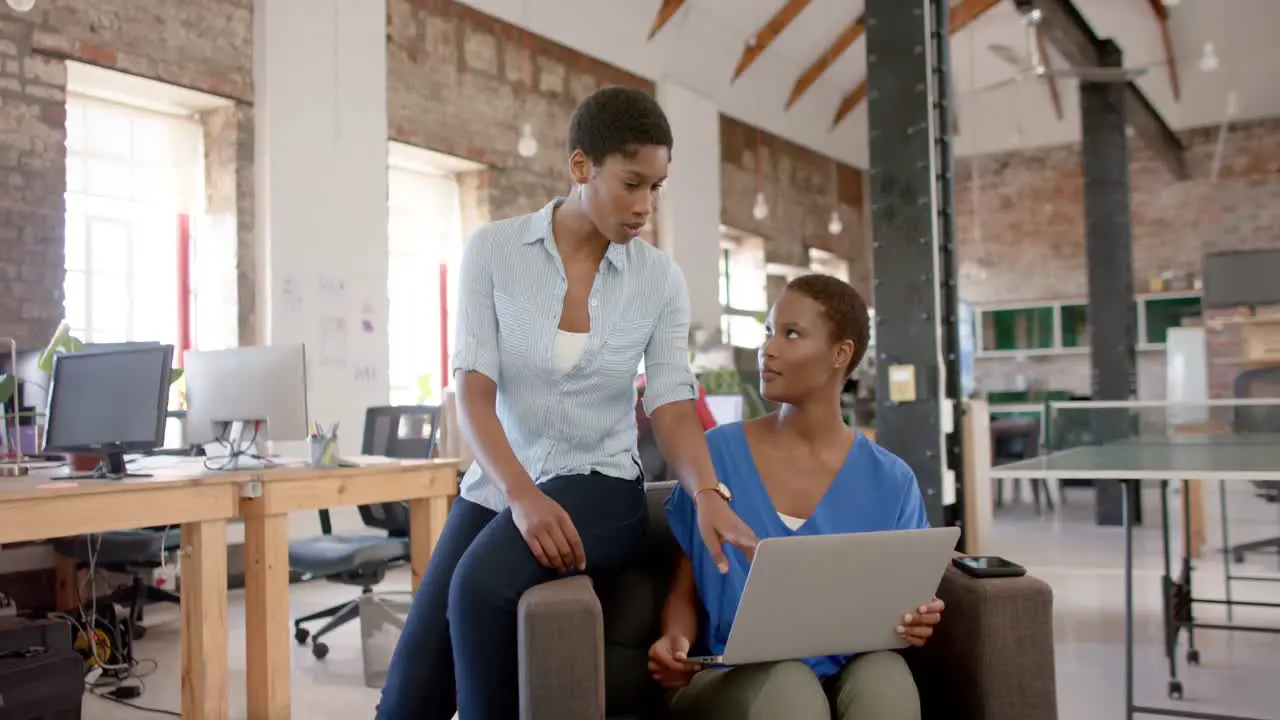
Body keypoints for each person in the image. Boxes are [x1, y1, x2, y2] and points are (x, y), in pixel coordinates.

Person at [375, 86, 757, 720]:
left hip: (600, 482)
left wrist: (706, 492)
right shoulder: (494, 252)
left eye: (655, 188)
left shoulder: (658, 278)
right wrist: (522, 496)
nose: (644, 207)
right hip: (502, 483)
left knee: (479, 588)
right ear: (581, 167)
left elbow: (669, 399)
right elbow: (473, 386)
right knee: (406, 700)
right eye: (632, 184)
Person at [648, 274, 945, 720]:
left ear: (839, 354)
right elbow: (684, 589)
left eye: (791, 334)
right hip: (734, 677)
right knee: (789, 686)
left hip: (848, 669)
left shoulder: (892, 481)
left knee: (887, 677)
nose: (768, 349)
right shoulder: (714, 456)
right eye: (769, 332)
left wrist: (918, 618)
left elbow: (903, 603)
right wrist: (675, 640)